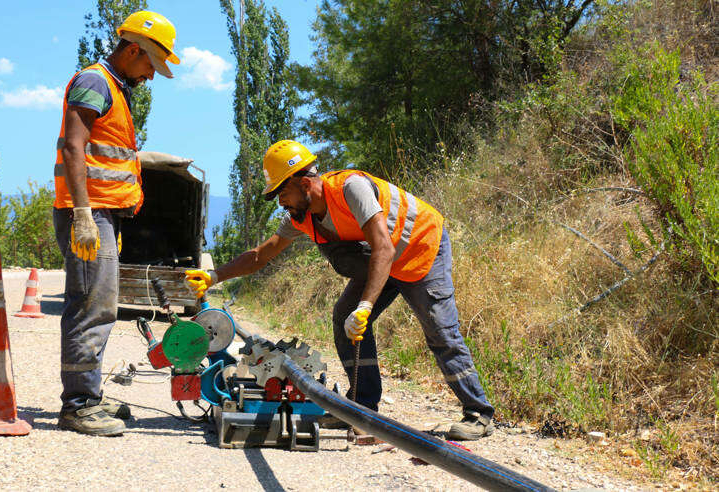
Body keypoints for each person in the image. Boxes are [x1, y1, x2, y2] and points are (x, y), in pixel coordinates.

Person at [186, 140, 495, 440]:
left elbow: (383, 247)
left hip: (420, 248)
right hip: (383, 258)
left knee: (440, 332)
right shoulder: (301, 217)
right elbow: (259, 256)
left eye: (282, 192)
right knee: (343, 316)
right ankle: (362, 407)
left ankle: (478, 413)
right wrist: (214, 276)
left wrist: (366, 306)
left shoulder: (351, 189)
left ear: (303, 182)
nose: (280, 201)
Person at [52, 11, 180, 436]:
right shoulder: (95, 81)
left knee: (100, 304)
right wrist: (83, 214)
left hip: (104, 213)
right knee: (92, 306)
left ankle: (88, 395)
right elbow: (74, 147)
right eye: (150, 65)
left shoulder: (116, 88)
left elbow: (105, 155)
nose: (151, 75)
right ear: (132, 50)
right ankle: (78, 406)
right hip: (89, 214)